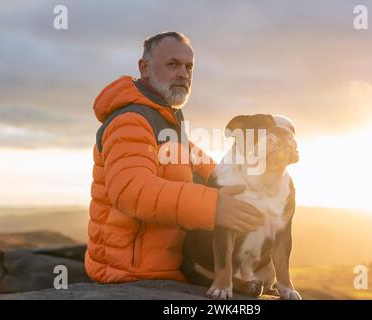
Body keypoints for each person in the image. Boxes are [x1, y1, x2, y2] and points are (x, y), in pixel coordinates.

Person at [85, 31, 264, 283]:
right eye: (173, 65)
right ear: (144, 68)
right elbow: (132, 191)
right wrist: (214, 207)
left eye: (189, 67)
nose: (183, 74)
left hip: (169, 271)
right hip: (131, 276)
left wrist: (257, 190)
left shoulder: (168, 124)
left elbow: (214, 172)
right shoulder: (131, 121)